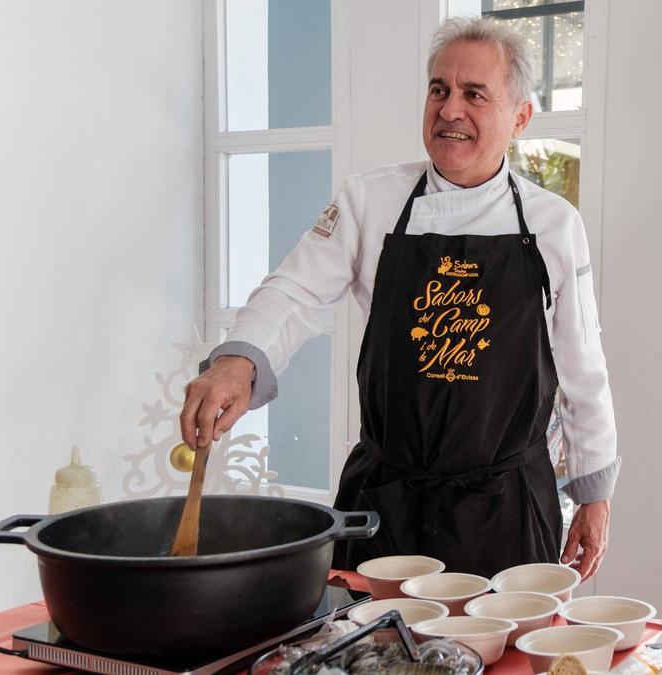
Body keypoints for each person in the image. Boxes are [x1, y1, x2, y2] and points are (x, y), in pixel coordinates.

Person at [179, 17, 618, 580]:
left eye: (474, 94)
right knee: (364, 635)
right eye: (439, 90)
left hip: (505, 509)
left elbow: (582, 365)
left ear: (520, 118)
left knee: (502, 640)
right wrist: (238, 361)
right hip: (385, 503)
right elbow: (294, 290)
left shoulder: (554, 224)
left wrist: (594, 491)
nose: (450, 109)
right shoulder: (369, 200)